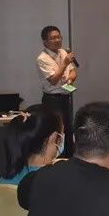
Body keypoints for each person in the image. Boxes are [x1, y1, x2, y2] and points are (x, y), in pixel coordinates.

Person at [36, 25, 77, 156]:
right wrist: (64, 63)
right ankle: (57, 160)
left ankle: (69, 158)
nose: (57, 40)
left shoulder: (63, 52)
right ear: (45, 41)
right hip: (52, 100)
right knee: (56, 131)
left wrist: (70, 79)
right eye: (53, 38)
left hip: (65, 97)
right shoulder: (42, 59)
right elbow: (53, 80)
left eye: (59, 37)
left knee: (69, 130)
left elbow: (73, 71)